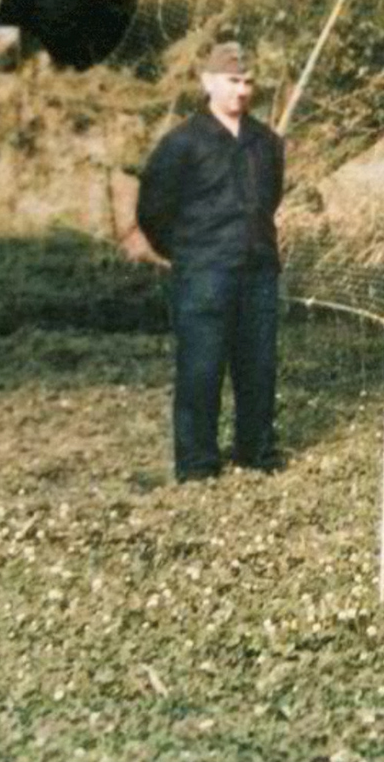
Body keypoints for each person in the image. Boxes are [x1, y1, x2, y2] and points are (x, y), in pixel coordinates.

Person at [134, 42, 287, 483]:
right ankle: (198, 464)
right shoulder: (181, 143)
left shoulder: (266, 142)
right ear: (207, 82)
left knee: (257, 366)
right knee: (201, 369)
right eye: (232, 81)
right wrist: (189, 254)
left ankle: (256, 452)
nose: (241, 90)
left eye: (247, 81)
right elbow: (153, 211)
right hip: (204, 275)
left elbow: (269, 199)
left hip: (257, 271)